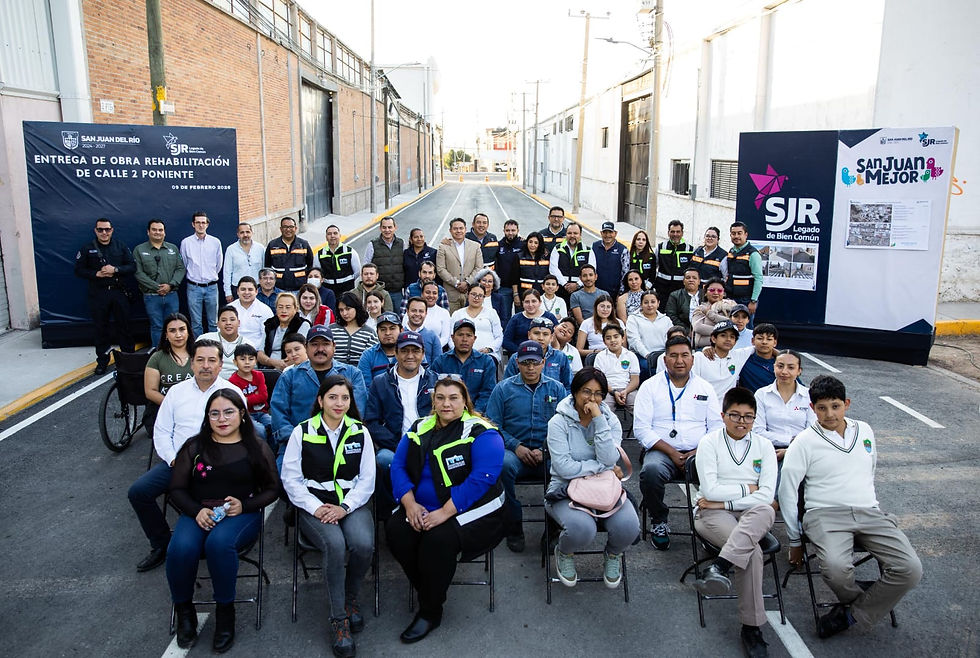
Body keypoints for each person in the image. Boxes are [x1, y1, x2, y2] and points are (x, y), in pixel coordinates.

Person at [778, 375, 922, 638]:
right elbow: (787, 490)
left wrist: (870, 505)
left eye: (835, 406)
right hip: (824, 515)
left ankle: (850, 615)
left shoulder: (865, 430)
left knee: (910, 569)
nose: (829, 414)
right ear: (812, 409)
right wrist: (794, 540)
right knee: (835, 569)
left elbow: (870, 469)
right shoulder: (803, 442)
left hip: (869, 512)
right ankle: (868, 599)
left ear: (847, 403)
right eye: (821, 408)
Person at [386, 376, 506, 644]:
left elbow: (481, 479)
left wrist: (444, 512)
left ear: (465, 401)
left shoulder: (482, 431)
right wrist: (409, 504)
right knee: (396, 532)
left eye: (453, 398)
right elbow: (397, 466)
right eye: (440, 397)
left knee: (436, 540)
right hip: (422, 506)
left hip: (474, 509)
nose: (446, 403)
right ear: (433, 401)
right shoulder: (420, 426)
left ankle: (430, 611)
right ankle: (430, 588)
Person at [167, 389, 278, 653]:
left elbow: (273, 489)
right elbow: (177, 489)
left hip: (240, 513)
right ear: (207, 417)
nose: (222, 419)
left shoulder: (257, 447)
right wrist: (196, 511)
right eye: (214, 413)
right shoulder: (194, 446)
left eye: (228, 412)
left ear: (241, 413)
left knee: (219, 544)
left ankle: (225, 612)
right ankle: (184, 611)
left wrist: (245, 505)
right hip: (199, 511)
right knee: (180, 548)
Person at [128, 339, 243, 573]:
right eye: (200, 360)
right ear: (191, 364)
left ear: (221, 365)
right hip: (178, 463)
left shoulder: (232, 393)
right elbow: (161, 431)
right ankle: (161, 544)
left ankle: (206, 541)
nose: (206, 366)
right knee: (138, 492)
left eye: (212, 360)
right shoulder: (176, 392)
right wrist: (173, 459)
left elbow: (242, 435)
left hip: (218, 468)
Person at [282, 375, 375, 657]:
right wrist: (315, 507)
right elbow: (291, 479)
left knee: (363, 544)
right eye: (333, 397)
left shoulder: (360, 431)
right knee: (334, 545)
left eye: (345, 398)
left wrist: (345, 507)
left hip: (350, 504)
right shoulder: (303, 431)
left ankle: (349, 598)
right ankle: (339, 620)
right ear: (321, 400)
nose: (339, 403)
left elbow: (367, 479)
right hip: (316, 507)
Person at [691, 387, 778, 658]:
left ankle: (719, 566)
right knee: (752, 552)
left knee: (766, 510)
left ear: (755, 419)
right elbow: (711, 490)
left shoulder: (764, 445)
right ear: (723, 415)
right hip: (711, 514)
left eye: (748, 417)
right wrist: (747, 490)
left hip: (749, 513)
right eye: (735, 415)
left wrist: (725, 500)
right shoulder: (709, 442)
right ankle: (751, 628)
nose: (742, 422)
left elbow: (768, 494)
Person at [546, 368, 639, 589]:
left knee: (629, 526)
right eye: (586, 392)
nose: (592, 399)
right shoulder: (558, 422)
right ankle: (565, 552)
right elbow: (564, 468)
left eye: (599, 393)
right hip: (566, 488)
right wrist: (600, 467)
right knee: (582, 529)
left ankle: (613, 554)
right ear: (575, 392)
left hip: (605, 488)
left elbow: (609, 456)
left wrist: (598, 420)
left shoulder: (609, 420)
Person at [634, 336, 722, 550]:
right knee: (651, 472)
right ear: (665, 360)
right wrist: (672, 452)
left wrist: (697, 451)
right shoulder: (650, 387)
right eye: (673, 356)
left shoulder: (705, 387)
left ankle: (710, 526)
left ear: (692, 359)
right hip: (662, 451)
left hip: (699, 451)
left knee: (721, 475)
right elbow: (641, 428)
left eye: (684, 355)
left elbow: (717, 427)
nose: (679, 360)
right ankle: (659, 521)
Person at [488, 340, 566, 552]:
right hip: (514, 452)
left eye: (535, 363)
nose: (530, 368)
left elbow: (568, 426)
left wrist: (546, 450)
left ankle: (553, 530)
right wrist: (516, 446)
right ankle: (513, 527)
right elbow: (492, 426)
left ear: (543, 363)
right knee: (502, 465)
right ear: (517, 363)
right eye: (525, 363)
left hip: (548, 452)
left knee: (565, 468)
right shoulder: (503, 389)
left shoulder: (557, 389)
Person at [270, 325, 367, 467]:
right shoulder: (289, 377)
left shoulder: (352, 374)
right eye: (315, 344)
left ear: (334, 346)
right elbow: (278, 415)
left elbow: (356, 414)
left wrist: (333, 439)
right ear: (306, 347)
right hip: (297, 445)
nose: (320, 349)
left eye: (326, 344)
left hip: (341, 444)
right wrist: (302, 439)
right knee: (281, 478)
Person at [364, 331, 438, 512]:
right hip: (395, 445)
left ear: (423, 354)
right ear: (396, 353)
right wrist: (401, 445)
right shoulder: (380, 382)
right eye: (405, 351)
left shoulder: (435, 381)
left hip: (431, 445)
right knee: (383, 460)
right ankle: (393, 511)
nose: (410, 355)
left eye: (415, 350)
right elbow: (371, 422)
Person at [74, 217, 136, 373]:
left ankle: (129, 359)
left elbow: (132, 266)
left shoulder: (120, 246)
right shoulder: (87, 249)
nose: (104, 232)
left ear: (112, 230)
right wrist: (96, 273)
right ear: (95, 230)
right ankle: (102, 361)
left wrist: (115, 270)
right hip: (99, 294)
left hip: (118, 292)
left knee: (124, 327)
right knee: (101, 328)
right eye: (100, 229)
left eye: (107, 229)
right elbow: (79, 270)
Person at [754, 350, 816, 471]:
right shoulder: (761, 394)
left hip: (803, 450)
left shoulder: (809, 395)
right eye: (780, 366)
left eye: (791, 367)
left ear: (799, 371)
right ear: (774, 367)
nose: (784, 372)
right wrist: (790, 441)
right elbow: (758, 431)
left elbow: (812, 430)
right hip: (770, 450)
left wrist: (790, 450)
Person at [133, 219, 185, 347]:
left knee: (174, 325)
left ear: (164, 233)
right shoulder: (139, 250)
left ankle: (174, 352)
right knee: (157, 327)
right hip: (151, 296)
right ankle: (158, 354)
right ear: (148, 232)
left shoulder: (172, 248)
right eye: (154, 230)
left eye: (160, 230)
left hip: (171, 295)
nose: (158, 232)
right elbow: (138, 273)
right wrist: (156, 287)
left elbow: (180, 268)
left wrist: (170, 285)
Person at [431, 319, 497, 414]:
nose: (464, 339)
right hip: (447, 413)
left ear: (474, 338)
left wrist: (475, 413)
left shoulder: (486, 361)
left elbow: (488, 392)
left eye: (469, 335)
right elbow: (434, 391)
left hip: (477, 415)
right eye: (460, 335)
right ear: (453, 337)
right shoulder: (440, 361)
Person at [143, 313, 194, 431]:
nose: (178, 335)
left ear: (188, 332)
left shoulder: (198, 354)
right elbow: (150, 391)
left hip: (195, 407)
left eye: (182, 329)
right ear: (166, 335)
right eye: (172, 331)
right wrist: (173, 406)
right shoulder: (157, 358)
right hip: (165, 409)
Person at [180, 211, 224, 336]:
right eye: (198, 222)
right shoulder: (186, 243)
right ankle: (198, 349)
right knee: (196, 323)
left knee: (213, 322)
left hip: (211, 287)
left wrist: (210, 276)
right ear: (193, 224)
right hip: (194, 287)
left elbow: (218, 264)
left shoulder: (215, 242)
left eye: (203, 222)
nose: (201, 225)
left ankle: (214, 349)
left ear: (207, 224)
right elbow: (184, 263)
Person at [503, 316, 572, 392]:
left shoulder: (561, 357)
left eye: (545, 334)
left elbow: (569, 387)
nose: (541, 338)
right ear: (529, 335)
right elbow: (507, 386)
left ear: (552, 337)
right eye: (536, 333)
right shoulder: (516, 357)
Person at [593, 324, 640, 434]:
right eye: (608, 338)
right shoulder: (600, 357)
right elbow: (600, 380)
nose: (612, 340)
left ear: (623, 338)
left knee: (641, 407)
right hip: (607, 389)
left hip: (628, 389)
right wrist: (614, 392)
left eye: (616, 336)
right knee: (602, 410)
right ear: (604, 341)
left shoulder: (631, 355)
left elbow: (635, 379)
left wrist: (625, 391)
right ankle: (607, 436)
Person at [693, 320, 751, 402]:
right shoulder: (699, 357)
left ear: (735, 342)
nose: (728, 339)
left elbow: (760, 348)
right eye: (723, 335)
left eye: (732, 337)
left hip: (726, 411)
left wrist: (776, 354)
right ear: (713, 339)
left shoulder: (738, 355)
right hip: (702, 408)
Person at [437, 217, 484, 313]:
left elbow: (479, 267)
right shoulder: (443, 247)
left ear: (465, 229)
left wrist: (467, 283)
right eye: (455, 228)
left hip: (470, 292)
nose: (458, 231)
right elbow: (441, 269)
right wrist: (456, 283)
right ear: (450, 230)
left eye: (461, 228)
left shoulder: (475, 246)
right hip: (451, 294)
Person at [228, 343, 272, 445]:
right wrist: (254, 396)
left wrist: (247, 399)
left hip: (263, 412)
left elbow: (264, 396)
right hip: (246, 415)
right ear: (235, 362)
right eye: (242, 359)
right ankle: (262, 452)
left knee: (274, 425)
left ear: (256, 361)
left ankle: (272, 453)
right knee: (260, 430)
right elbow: (240, 403)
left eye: (251, 359)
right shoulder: (233, 381)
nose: (247, 362)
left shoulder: (259, 375)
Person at [258, 292, 310, 371]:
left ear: (295, 309)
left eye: (288, 307)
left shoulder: (302, 324)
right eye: (280, 307)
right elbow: (260, 354)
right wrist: (273, 362)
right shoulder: (269, 324)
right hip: (268, 367)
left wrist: (282, 366)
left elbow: (298, 353)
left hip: (293, 368)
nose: (284, 311)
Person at [450, 285, 503, 362]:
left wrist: (489, 349)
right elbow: (450, 336)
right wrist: (458, 350)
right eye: (473, 294)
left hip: (487, 355)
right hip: (461, 354)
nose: (476, 298)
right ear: (468, 295)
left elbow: (499, 336)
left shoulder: (491, 313)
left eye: (480, 296)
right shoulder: (458, 314)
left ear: (484, 298)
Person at [626, 291, 672, 377]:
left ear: (658, 303)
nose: (650, 305)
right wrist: (648, 355)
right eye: (646, 302)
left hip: (663, 354)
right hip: (642, 355)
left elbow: (671, 339)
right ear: (641, 304)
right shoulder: (633, 319)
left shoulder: (666, 319)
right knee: (646, 367)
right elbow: (634, 341)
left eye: (653, 302)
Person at [363, 216, 405, 310]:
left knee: (398, 319)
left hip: (397, 292)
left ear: (395, 227)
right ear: (380, 228)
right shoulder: (372, 245)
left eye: (390, 227)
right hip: (379, 292)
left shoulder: (401, 243)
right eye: (384, 227)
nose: (387, 230)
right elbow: (366, 266)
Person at [199, 306, 253, 378]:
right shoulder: (205, 339)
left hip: (238, 384)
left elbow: (251, 372)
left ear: (239, 323)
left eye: (232, 320)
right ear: (218, 324)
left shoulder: (247, 344)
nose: (228, 323)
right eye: (224, 320)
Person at [502, 289, 559, 355]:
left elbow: (557, 337)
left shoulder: (549, 317)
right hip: (520, 355)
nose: (530, 305)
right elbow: (506, 341)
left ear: (540, 302)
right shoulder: (516, 318)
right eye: (527, 302)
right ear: (522, 303)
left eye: (534, 301)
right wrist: (522, 351)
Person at [264, 215, 314, 292]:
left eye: (291, 227)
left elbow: (310, 265)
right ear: (281, 229)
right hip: (279, 288)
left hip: (299, 288)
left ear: (295, 228)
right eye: (285, 227)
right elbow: (267, 266)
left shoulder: (304, 244)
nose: (288, 229)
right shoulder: (272, 245)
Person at [549, 222, 595, 301]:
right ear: (566, 234)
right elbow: (553, 269)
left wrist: (577, 284)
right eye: (569, 233)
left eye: (575, 233)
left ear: (580, 235)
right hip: (560, 290)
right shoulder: (558, 248)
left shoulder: (588, 250)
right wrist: (565, 284)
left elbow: (592, 270)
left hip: (581, 290)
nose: (572, 236)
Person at [330, 292, 378, 367]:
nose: (344, 313)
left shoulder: (369, 333)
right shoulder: (331, 330)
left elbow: (372, 358)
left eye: (348, 309)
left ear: (356, 308)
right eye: (341, 310)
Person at [726, 221, 763, 317]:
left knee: (746, 328)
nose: (736, 236)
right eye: (733, 234)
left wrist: (753, 301)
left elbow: (758, 278)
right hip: (731, 298)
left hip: (746, 300)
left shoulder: (753, 254)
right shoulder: (731, 251)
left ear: (746, 234)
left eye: (739, 233)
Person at [317, 224, 361, 301]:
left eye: (335, 233)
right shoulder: (320, 254)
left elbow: (357, 272)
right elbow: (317, 274)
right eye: (329, 234)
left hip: (347, 291)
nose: (332, 236)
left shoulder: (350, 251)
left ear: (340, 235)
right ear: (326, 237)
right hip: (329, 292)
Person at [655, 219, 694, 307]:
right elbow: (654, 266)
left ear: (682, 233)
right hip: (662, 288)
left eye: (678, 232)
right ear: (668, 232)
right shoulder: (660, 247)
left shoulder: (689, 249)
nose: (675, 234)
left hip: (680, 289)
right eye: (672, 232)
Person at [222, 222, 264, 303]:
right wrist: (228, 293)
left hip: (257, 289)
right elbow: (227, 272)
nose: (245, 235)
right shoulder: (231, 249)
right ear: (238, 234)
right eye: (242, 232)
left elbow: (264, 269)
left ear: (252, 232)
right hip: (238, 289)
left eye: (247, 232)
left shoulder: (260, 248)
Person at [229, 276, 273, 348]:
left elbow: (267, 336)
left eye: (250, 289)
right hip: (233, 348)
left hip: (257, 350)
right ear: (237, 291)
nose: (246, 292)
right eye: (243, 289)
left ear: (256, 291)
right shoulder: (229, 309)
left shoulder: (265, 310)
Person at [692, 277, 737, 348]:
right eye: (712, 290)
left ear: (724, 293)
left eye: (719, 290)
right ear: (705, 293)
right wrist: (723, 333)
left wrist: (709, 314)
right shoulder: (701, 308)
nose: (716, 293)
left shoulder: (731, 305)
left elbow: (733, 323)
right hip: (703, 346)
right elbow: (698, 327)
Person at [358, 311, 401, 384]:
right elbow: (364, 388)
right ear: (377, 332)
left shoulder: (410, 353)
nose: (387, 333)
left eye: (392, 328)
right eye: (383, 329)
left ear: (401, 330)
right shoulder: (368, 356)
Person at [494, 219, 523, 325]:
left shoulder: (523, 244)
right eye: (508, 230)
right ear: (504, 231)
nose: (510, 233)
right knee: (504, 317)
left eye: (513, 230)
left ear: (518, 230)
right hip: (503, 288)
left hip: (520, 289)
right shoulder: (498, 245)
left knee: (521, 317)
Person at [592, 221, 629, 300]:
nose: (607, 235)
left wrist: (621, 293)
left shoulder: (623, 249)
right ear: (601, 233)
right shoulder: (594, 246)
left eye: (610, 232)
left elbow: (625, 273)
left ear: (615, 233)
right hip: (596, 291)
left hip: (615, 293)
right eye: (605, 232)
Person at [402, 297, 444, 366]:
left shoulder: (432, 336)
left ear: (426, 313)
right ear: (407, 311)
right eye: (414, 310)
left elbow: (438, 364)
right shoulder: (400, 334)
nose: (417, 314)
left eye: (421, 311)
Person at [737, 324, 779, 393]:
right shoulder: (743, 361)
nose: (764, 342)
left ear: (775, 342)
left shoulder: (782, 364)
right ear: (753, 341)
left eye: (769, 339)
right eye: (760, 338)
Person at [513, 231, 551, 301]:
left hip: (541, 295)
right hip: (524, 295)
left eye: (536, 243)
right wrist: (515, 294)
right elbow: (514, 278)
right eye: (530, 242)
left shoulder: (546, 257)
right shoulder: (519, 256)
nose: (532, 245)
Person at [665, 267, 701, 335]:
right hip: (683, 332)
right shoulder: (675, 295)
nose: (691, 280)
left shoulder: (705, 295)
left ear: (699, 281)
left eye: (694, 278)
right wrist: (686, 331)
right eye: (688, 278)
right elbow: (671, 315)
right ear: (683, 281)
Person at [420, 282, 453, 348]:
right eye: (428, 292)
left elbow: (445, 337)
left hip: (436, 350)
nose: (431, 295)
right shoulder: (413, 310)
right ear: (422, 294)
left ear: (438, 296)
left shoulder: (444, 313)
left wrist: (433, 347)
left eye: (434, 293)